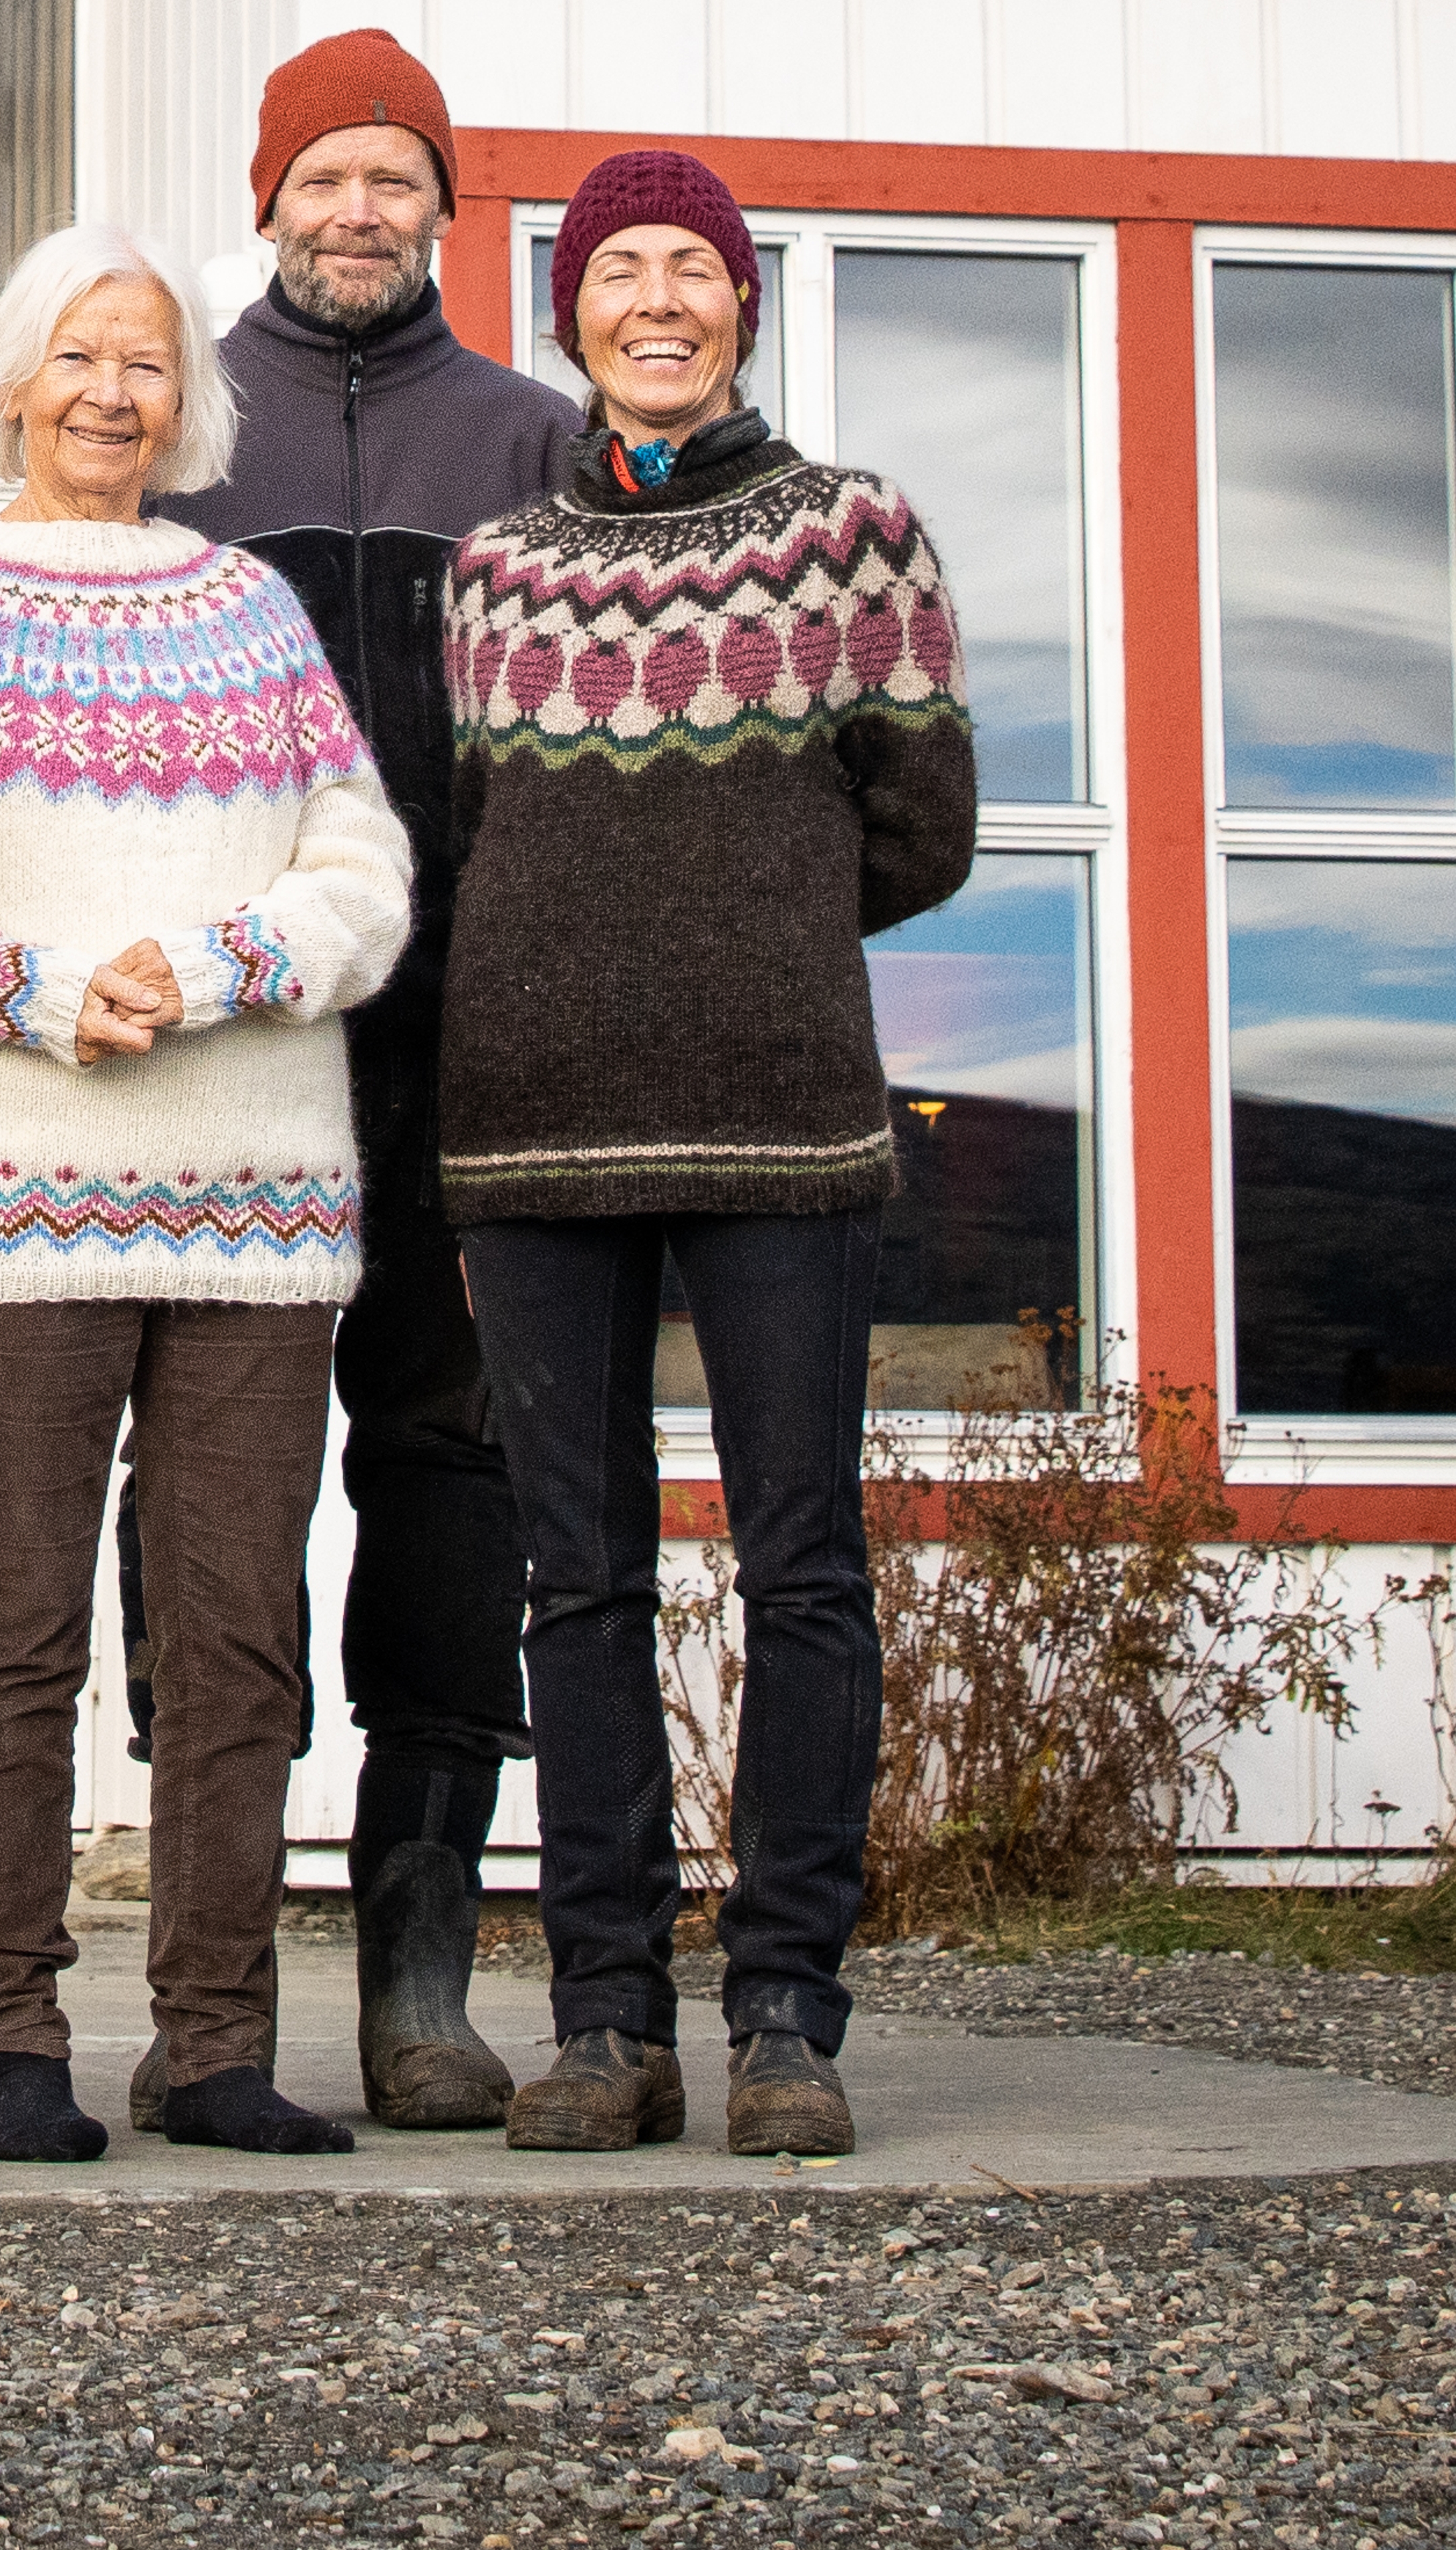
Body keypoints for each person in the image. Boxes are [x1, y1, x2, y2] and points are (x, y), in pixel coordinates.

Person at [0, 223, 412, 2164]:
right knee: (15, 1627)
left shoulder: (250, 608)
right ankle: (12, 2039)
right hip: (8, 1193)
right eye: (77, 357)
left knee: (235, 1634)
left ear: (189, 396)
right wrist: (48, 994)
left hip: (262, 1206)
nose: (111, 393)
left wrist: (222, 963)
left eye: (146, 362)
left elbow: (365, 868)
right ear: (12, 379)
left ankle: (216, 2041)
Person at [439, 148, 977, 2157]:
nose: (656, 299)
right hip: (534, 1139)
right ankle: (605, 2023)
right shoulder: (490, 572)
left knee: (802, 1566)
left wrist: (750, 944)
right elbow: (479, 842)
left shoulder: (855, 537)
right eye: (616, 271)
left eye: (695, 269)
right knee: (574, 1582)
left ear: (742, 308)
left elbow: (921, 829)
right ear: (568, 313)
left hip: (782, 1124)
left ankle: (782, 2019)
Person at [134, 27, 581, 2133]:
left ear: (444, 210)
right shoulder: (173, 426)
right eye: (326, 176)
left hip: (466, 1041)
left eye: (398, 176)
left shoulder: (535, 442)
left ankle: (418, 1976)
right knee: (210, 1489)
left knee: (445, 1480)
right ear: (270, 196)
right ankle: (207, 1969)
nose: (359, 210)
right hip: (228, 1040)